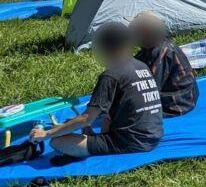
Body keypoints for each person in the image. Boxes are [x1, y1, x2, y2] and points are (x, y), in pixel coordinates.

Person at [29, 23, 163, 161]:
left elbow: (86, 119)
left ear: (103, 47)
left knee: (57, 142)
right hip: (154, 135)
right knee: (103, 117)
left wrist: (46, 134)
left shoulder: (111, 75)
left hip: (132, 142)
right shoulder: (141, 65)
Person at [130, 12, 199, 117]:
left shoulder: (162, 53)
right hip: (173, 94)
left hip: (179, 101)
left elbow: (151, 86)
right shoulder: (151, 46)